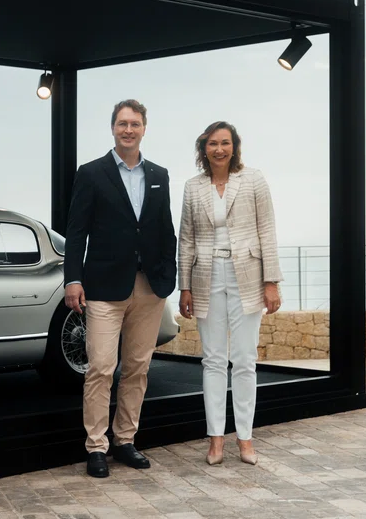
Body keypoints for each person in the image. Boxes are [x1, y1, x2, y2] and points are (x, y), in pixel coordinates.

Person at [63, 99, 178, 478]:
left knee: (137, 368)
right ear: (113, 128)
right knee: (99, 367)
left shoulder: (159, 174)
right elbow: (77, 232)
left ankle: (126, 440)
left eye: (135, 124)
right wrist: (73, 279)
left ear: (145, 128)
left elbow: (165, 231)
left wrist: (167, 277)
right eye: (122, 123)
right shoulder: (92, 173)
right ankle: (96, 446)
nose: (128, 130)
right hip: (103, 288)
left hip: (149, 288)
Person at [177, 121, 283, 467]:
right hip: (207, 276)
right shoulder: (193, 188)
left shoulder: (253, 180)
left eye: (225, 143)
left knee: (245, 359)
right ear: (203, 148)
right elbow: (187, 239)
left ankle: (246, 438)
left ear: (234, 147)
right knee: (212, 361)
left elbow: (267, 230)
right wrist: (185, 286)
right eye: (212, 144)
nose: (219, 149)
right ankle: (215, 439)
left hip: (248, 277)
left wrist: (272, 282)